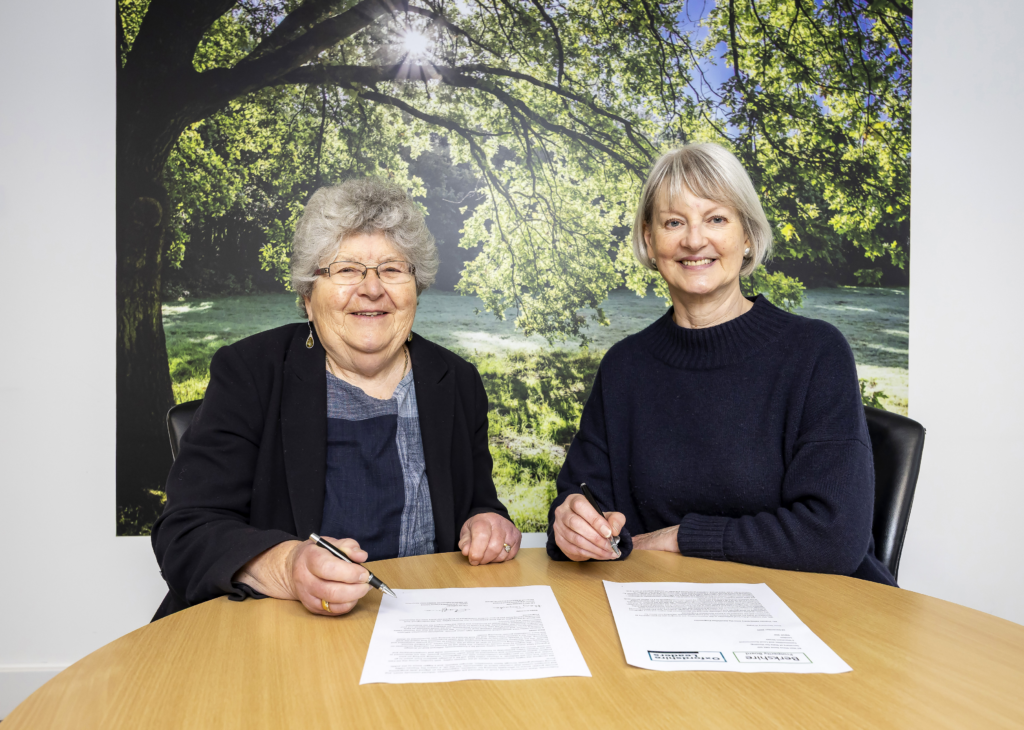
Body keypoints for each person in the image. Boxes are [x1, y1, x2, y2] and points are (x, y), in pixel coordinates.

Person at [152, 178, 521, 620]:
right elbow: (185, 532)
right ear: (308, 297)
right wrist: (287, 567)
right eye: (346, 270)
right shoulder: (250, 372)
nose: (371, 289)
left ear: (415, 289)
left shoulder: (456, 381)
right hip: (272, 634)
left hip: (416, 626)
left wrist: (489, 523)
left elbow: (477, 502)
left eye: (392, 269)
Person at [547, 143, 895, 585]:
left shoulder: (814, 353)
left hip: (816, 612)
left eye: (716, 219)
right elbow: (583, 502)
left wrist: (681, 538)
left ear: (747, 235)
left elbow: (834, 537)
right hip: (665, 609)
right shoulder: (624, 367)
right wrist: (571, 526)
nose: (694, 240)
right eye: (674, 222)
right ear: (650, 241)